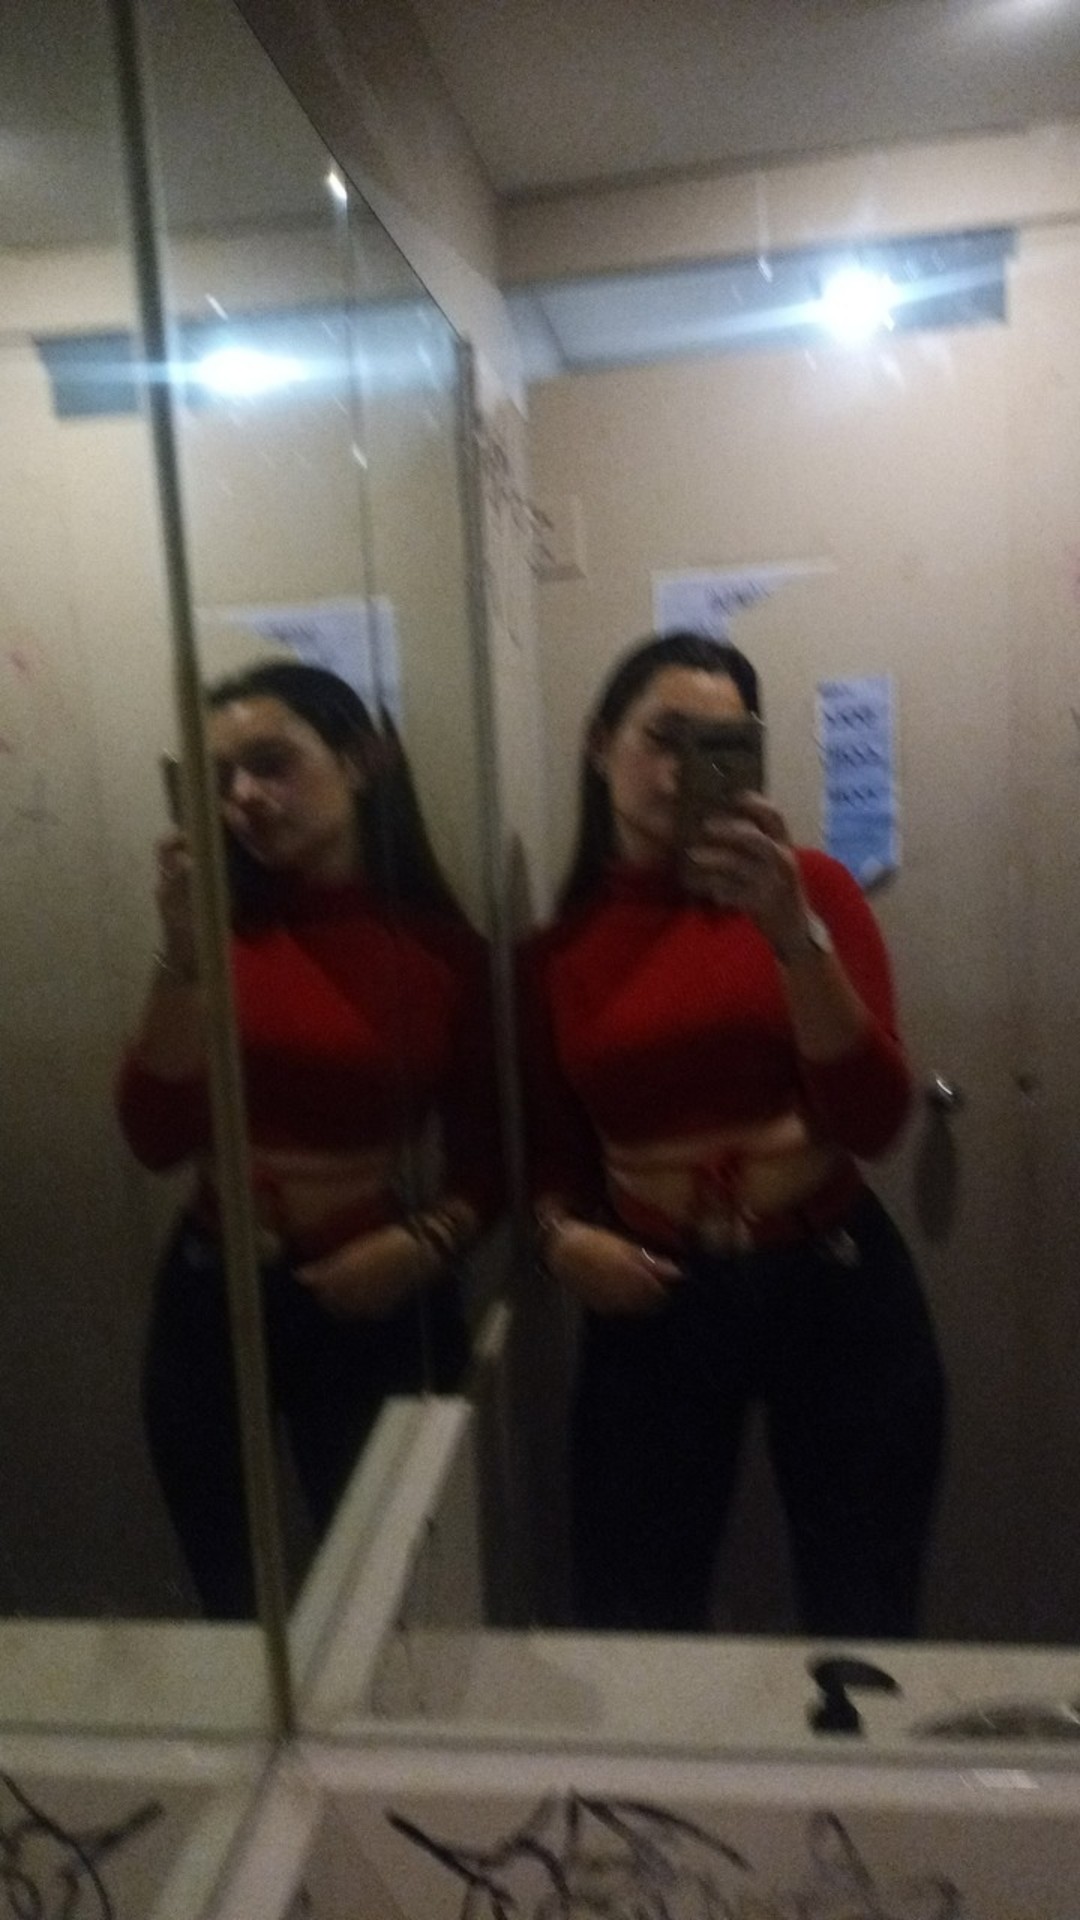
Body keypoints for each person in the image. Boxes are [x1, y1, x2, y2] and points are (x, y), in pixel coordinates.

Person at [521, 630, 946, 1638]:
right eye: (659, 737)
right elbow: (550, 1156)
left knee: (864, 1605)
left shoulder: (815, 893)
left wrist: (791, 933)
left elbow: (875, 1122)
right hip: (654, 1296)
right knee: (635, 1612)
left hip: (835, 1282)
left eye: (715, 746)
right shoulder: (556, 951)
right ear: (598, 742)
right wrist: (559, 1240)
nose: (679, 772)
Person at [116, 661, 499, 1618]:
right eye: (220, 778)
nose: (244, 796)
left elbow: (493, 1156)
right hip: (211, 1296)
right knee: (230, 1604)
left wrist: (423, 1246)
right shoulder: (217, 940)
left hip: (373, 1292)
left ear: (363, 760)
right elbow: (153, 1137)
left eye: (271, 762)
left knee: (387, 1603)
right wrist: (183, 957)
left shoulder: (443, 952)